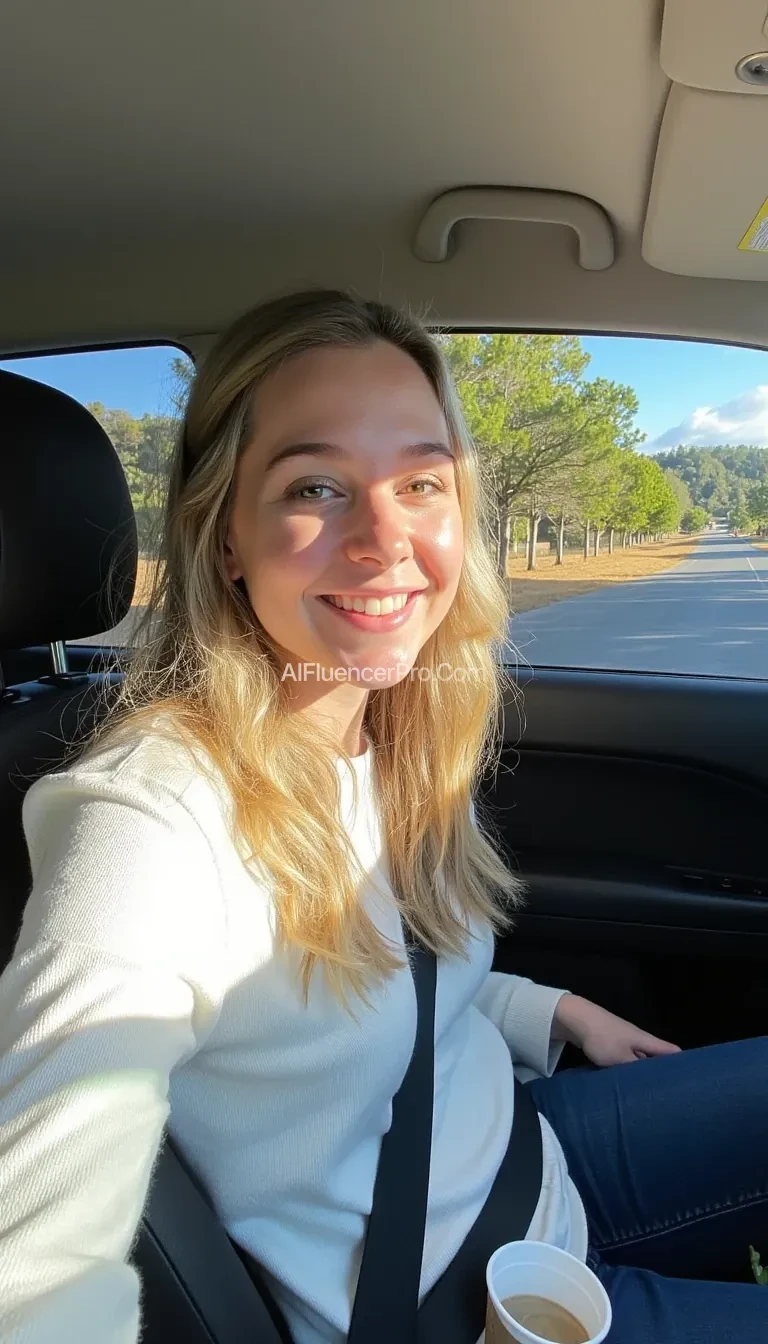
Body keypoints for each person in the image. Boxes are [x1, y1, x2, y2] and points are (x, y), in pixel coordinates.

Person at [0, 290, 765, 1344]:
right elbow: (38, 1263)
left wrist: (540, 1012)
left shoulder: (384, 730)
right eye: (316, 485)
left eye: (421, 481)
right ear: (226, 534)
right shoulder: (150, 814)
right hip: (456, 1305)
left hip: (526, 1153)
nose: (384, 538)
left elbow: (355, 991)